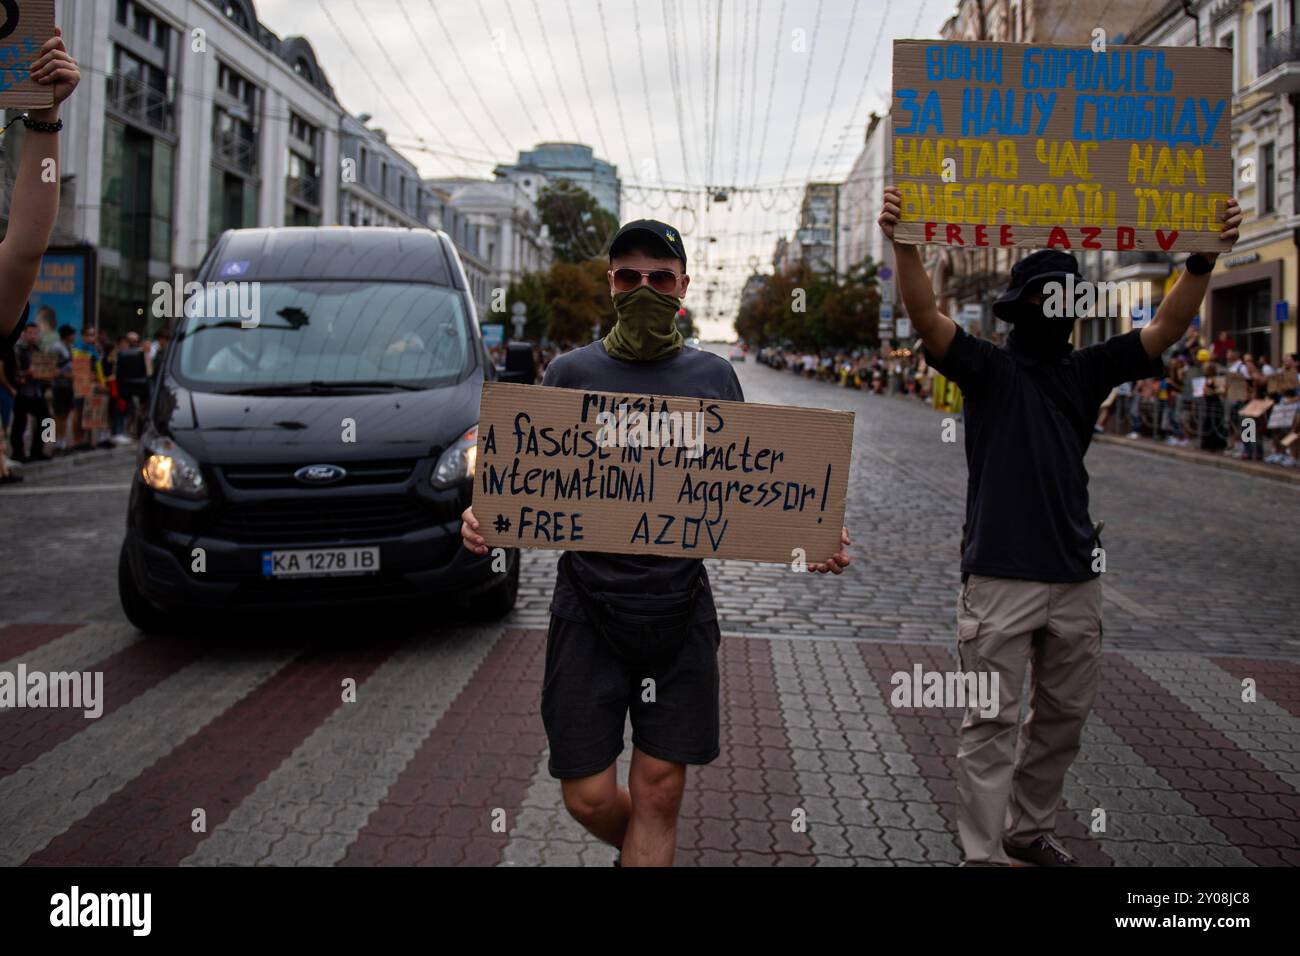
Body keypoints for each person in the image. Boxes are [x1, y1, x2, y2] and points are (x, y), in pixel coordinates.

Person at [460, 219, 851, 866]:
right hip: (586, 609)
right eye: (629, 276)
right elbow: (531, 483)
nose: (644, 288)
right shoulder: (568, 371)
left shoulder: (714, 377)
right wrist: (487, 517)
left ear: (684, 288)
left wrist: (808, 531)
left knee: (659, 792)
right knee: (586, 794)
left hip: (678, 610)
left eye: (660, 277)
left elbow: (745, 487)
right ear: (610, 284)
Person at [878, 186, 1241, 866]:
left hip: (1077, 577)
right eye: (1044, 297)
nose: (1055, 309)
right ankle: (982, 855)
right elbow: (926, 317)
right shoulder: (986, 367)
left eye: (1065, 298)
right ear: (1020, 308)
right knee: (989, 724)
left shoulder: (1088, 370)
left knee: (1062, 724)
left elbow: (1164, 329)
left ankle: (1026, 831)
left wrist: (1198, 265)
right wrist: (904, 244)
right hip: (997, 578)